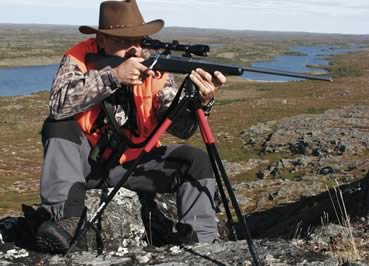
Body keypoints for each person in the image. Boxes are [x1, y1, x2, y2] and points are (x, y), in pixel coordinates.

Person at [35, 0, 226, 253]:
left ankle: (201, 243)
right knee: (57, 126)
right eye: (123, 41)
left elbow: (182, 128)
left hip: (137, 164)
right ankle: (67, 221)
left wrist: (201, 101)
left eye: (139, 40)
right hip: (84, 166)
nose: (134, 50)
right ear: (101, 39)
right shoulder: (78, 57)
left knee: (195, 160)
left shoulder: (155, 66)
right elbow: (58, 106)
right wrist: (113, 77)